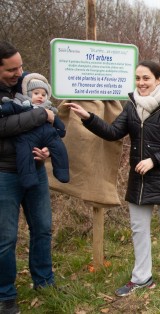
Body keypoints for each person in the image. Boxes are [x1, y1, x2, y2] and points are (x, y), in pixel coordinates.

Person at [65, 60, 160, 297]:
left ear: (158, 79)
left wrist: (154, 160)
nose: (141, 83)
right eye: (137, 78)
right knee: (139, 229)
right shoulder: (131, 106)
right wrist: (88, 117)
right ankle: (142, 278)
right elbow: (113, 133)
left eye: (146, 78)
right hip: (140, 180)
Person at [0, 41, 56, 314]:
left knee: (43, 228)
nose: (18, 72)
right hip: (4, 174)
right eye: (12, 69)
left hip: (34, 168)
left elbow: (53, 122)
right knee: (5, 238)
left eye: (20, 66)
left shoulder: (29, 84)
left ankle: (44, 282)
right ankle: (5, 295)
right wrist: (40, 115)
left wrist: (46, 145)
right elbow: (4, 126)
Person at [1, 72, 69, 188]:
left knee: (59, 148)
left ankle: (62, 172)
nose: (40, 96)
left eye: (43, 94)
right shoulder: (22, 104)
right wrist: (3, 107)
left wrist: (60, 130)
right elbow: (10, 108)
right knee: (24, 154)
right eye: (36, 93)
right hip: (27, 136)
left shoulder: (49, 108)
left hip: (49, 135)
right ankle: (28, 179)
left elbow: (58, 124)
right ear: (27, 93)